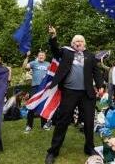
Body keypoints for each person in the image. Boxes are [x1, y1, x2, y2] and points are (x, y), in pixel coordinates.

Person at [44, 26, 104, 164]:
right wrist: (53, 37)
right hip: (69, 92)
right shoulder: (66, 52)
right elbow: (55, 50)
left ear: (84, 44)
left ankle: (89, 148)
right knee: (62, 121)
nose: (78, 43)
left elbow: (97, 72)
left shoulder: (90, 56)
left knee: (89, 121)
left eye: (81, 41)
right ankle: (53, 151)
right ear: (72, 44)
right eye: (76, 41)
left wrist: (100, 85)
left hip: (87, 94)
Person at [23, 51, 51, 132]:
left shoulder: (48, 64)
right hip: (35, 88)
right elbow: (24, 67)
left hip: (44, 88)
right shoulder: (34, 63)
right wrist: (27, 57)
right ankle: (29, 125)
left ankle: (44, 125)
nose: (41, 56)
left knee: (43, 106)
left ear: (45, 57)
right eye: (40, 55)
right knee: (32, 106)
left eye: (43, 55)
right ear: (38, 56)